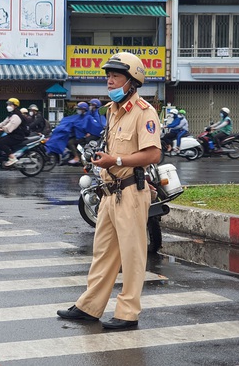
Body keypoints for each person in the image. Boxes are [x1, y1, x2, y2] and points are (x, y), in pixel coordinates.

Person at [57, 52, 161, 331]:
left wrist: (115, 161)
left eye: (116, 76)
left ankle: (128, 313)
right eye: (108, 76)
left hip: (130, 192)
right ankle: (89, 306)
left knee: (132, 255)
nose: (109, 81)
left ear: (132, 81)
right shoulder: (112, 112)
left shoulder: (143, 112)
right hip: (109, 192)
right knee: (103, 252)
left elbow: (153, 154)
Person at [0, 98, 28, 166]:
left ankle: (12, 158)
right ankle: (4, 156)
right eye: (8, 104)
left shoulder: (16, 116)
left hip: (18, 136)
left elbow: (10, 127)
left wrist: (2, 129)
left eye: (10, 104)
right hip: (13, 135)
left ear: (15, 106)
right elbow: (4, 122)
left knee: (2, 142)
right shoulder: (12, 114)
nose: (8, 106)